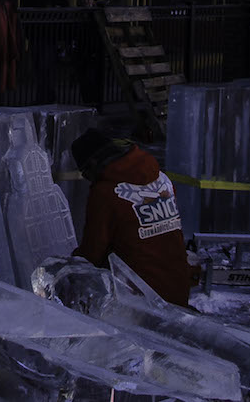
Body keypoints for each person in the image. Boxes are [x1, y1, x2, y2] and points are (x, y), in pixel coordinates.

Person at [70, 128, 190, 306]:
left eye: (85, 171)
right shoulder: (162, 178)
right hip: (179, 288)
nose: (87, 178)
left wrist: (70, 265)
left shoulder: (105, 192)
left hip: (142, 298)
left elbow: (92, 252)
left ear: (95, 162)